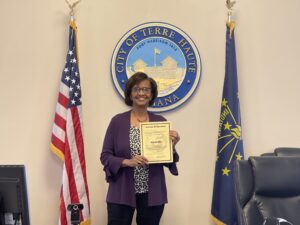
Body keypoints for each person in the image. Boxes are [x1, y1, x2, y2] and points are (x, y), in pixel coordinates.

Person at [100, 72, 180, 225]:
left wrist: (172, 146)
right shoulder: (117, 121)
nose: (141, 93)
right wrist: (127, 162)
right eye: (137, 89)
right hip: (122, 190)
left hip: (152, 192)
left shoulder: (160, 122)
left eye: (146, 89)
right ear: (130, 93)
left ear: (151, 94)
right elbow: (105, 156)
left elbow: (167, 159)